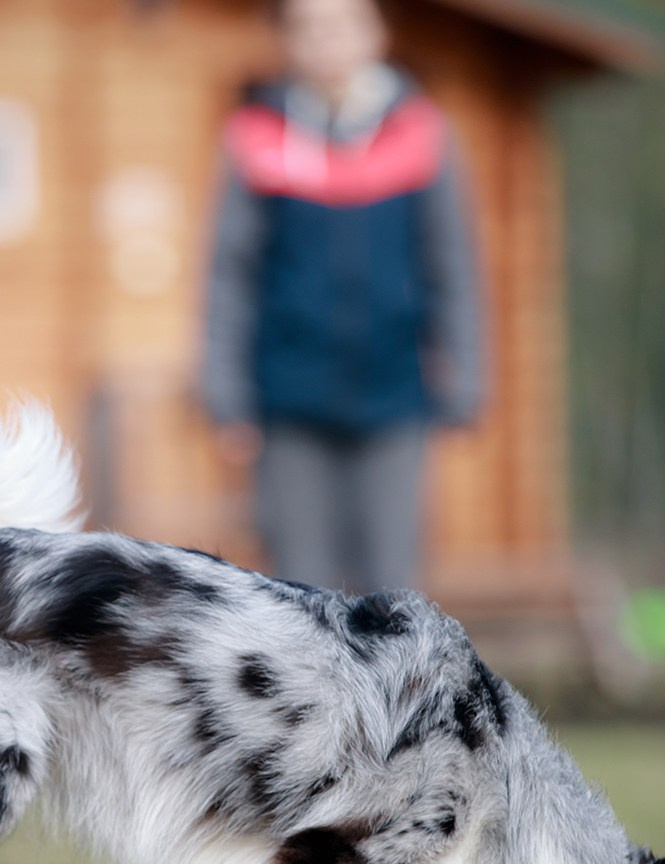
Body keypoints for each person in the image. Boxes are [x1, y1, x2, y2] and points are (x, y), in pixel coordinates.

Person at [201, 0, 485, 596]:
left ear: (378, 31)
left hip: (396, 395)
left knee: (393, 591)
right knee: (298, 592)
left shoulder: (422, 134)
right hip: (287, 397)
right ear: (286, 39)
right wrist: (226, 393)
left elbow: (452, 265)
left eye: (342, 23)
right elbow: (230, 272)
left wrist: (466, 379)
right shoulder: (256, 137)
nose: (325, 40)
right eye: (307, 27)